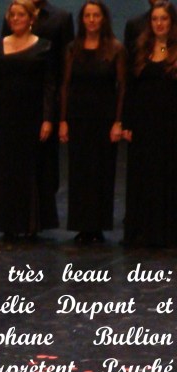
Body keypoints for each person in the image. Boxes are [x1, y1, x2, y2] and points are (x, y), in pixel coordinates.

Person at [0, 0, 57, 239]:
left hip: (32, 118)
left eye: (21, 15)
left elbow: (49, 85)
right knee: (6, 171)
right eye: (12, 15)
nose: (15, 19)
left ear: (31, 19)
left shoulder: (44, 47)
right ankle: (8, 224)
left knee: (31, 170)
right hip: (5, 118)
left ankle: (30, 224)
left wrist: (47, 118)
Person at [59, 1, 125, 244]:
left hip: (104, 120)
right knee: (79, 174)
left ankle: (98, 226)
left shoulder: (115, 48)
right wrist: (63, 120)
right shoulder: (72, 48)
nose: (92, 20)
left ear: (103, 19)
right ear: (82, 19)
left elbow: (122, 87)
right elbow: (65, 85)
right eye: (87, 15)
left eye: (96, 15)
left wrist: (118, 121)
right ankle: (81, 226)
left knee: (102, 174)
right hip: (78, 119)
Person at [122, 0, 177, 247]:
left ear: (172, 22)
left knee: (168, 176)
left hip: (170, 125)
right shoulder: (142, 49)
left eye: (164, 19)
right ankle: (143, 230)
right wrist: (127, 123)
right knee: (144, 176)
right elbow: (130, 89)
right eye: (155, 19)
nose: (159, 23)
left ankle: (167, 231)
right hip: (144, 125)